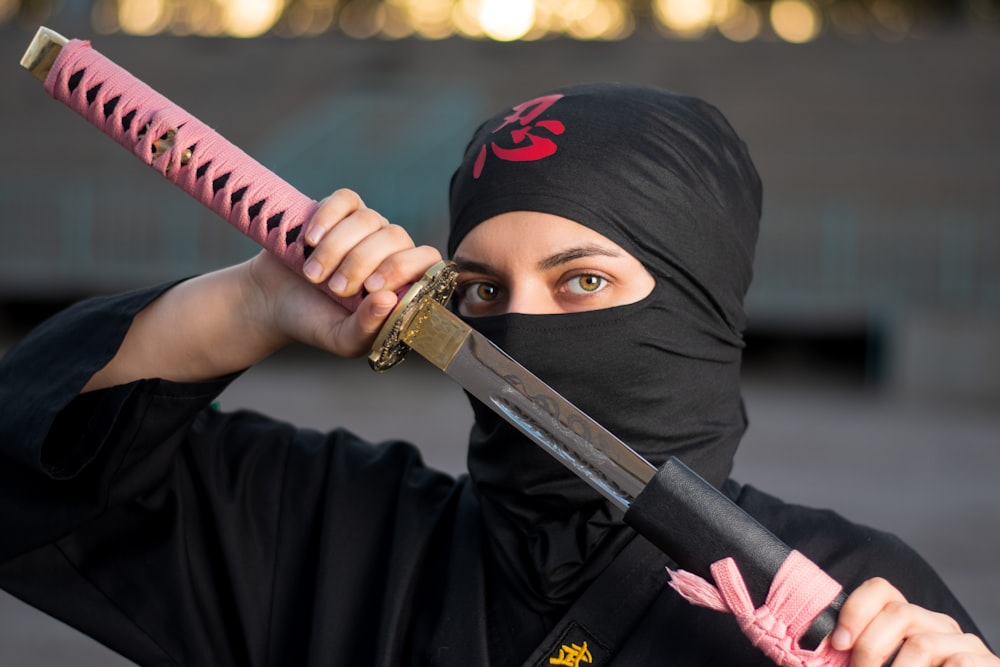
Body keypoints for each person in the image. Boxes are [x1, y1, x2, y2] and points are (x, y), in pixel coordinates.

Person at [0, 83, 994, 666]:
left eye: (585, 280)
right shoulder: (333, 532)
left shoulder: (860, 597)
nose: (520, 329)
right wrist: (251, 304)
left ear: (696, 302)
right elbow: (28, 469)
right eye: (480, 289)